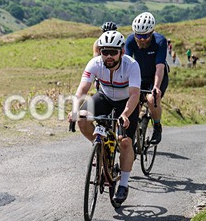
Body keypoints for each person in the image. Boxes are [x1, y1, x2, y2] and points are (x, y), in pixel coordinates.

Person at [69, 31, 141, 206]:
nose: (108, 56)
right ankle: (100, 147)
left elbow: (134, 95)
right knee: (82, 119)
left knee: (125, 142)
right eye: (104, 52)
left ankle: (123, 184)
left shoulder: (131, 65)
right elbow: (82, 89)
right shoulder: (95, 64)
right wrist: (74, 110)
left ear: (121, 52)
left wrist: (124, 114)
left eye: (112, 52)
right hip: (105, 97)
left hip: (126, 102)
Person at [125, 12, 169, 144]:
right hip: (138, 77)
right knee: (133, 105)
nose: (142, 39)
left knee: (152, 99)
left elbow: (159, 67)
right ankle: (133, 131)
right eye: (138, 35)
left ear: (152, 32)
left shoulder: (160, 41)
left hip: (156, 76)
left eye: (145, 36)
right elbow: (126, 63)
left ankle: (157, 126)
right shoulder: (130, 41)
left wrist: (155, 87)